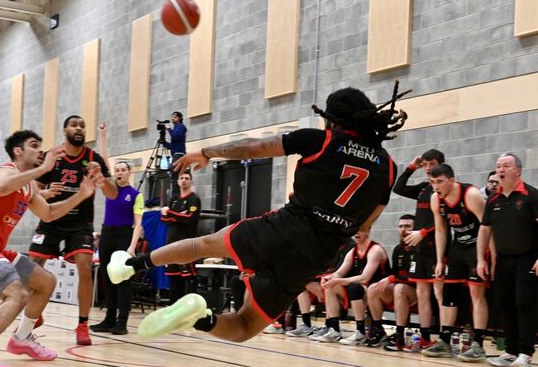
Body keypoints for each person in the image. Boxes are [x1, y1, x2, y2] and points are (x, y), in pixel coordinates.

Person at [109, 85, 408, 343]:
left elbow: (255, 147)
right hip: (314, 256)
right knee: (244, 326)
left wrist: (208, 152)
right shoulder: (389, 167)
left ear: (333, 120)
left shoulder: (321, 140)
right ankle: (201, 319)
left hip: (281, 228)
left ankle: (131, 265)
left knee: (202, 245)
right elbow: (366, 223)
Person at [0, 130, 99, 367]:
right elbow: (0, 186)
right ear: (18, 151)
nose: (40, 151)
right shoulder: (5, 171)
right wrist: (44, 169)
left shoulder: (28, 186)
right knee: (17, 294)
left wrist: (81, 195)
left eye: (41, 146)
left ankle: (21, 338)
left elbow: (49, 214)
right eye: (34, 145)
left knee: (46, 282)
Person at [28, 115, 117, 346]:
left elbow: (112, 194)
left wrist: (101, 180)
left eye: (82, 126)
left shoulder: (93, 159)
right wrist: (46, 193)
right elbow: (33, 192)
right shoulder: (53, 156)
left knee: (85, 267)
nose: (79, 128)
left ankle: (82, 325)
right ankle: (35, 312)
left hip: (81, 223)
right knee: (32, 265)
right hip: (52, 218)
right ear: (65, 129)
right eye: (74, 125)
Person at [477, 152, 538, 367]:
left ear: (517, 170)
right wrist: (481, 259)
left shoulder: (532, 195)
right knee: (504, 303)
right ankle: (510, 351)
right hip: (503, 259)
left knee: (524, 303)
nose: (500, 170)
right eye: (498, 166)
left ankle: (526, 353)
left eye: (506, 166)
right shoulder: (493, 200)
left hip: (528, 258)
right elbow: (484, 231)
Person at [422, 164, 489, 361]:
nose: (436, 186)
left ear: (452, 180)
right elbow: (441, 229)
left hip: (477, 244)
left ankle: (478, 344)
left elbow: (486, 227)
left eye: (440, 181)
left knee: (476, 292)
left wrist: (484, 257)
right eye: (432, 182)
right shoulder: (436, 199)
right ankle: (444, 341)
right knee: (448, 292)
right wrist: (441, 260)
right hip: (458, 246)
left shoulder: (471, 194)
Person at [393, 149, 446, 349]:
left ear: (440, 164)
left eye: (430, 163)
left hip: (437, 247)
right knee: (423, 292)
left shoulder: (445, 189)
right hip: (420, 248)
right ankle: (425, 337)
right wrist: (411, 167)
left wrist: (424, 232)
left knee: (439, 291)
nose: (427, 168)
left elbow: (445, 223)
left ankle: (444, 338)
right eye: (424, 164)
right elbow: (398, 188)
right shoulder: (424, 188)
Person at [90, 159, 144, 335]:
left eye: (123, 169)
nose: (119, 172)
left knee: (122, 280)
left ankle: (122, 322)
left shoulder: (135, 195)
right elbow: (103, 163)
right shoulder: (110, 190)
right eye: (117, 170)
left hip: (124, 237)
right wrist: (103, 136)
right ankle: (109, 320)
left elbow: (138, 224)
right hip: (107, 235)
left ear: (130, 172)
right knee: (108, 278)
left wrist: (132, 247)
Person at [317, 230, 389, 345]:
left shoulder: (375, 250)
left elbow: (365, 278)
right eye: (355, 230)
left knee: (354, 287)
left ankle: (360, 332)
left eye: (361, 230)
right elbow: (339, 273)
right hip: (363, 290)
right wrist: (329, 278)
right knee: (330, 285)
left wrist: (337, 280)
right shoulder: (352, 251)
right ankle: (334, 330)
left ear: (368, 230)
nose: (357, 233)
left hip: (379, 291)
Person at [366, 215, 420, 350]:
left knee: (399, 288)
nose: (403, 229)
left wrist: (392, 279)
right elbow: (393, 275)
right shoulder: (398, 249)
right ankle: (379, 331)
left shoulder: (420, 249)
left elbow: (416, 278)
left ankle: (399, 335)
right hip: (399, 290)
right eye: (400, 226)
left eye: (408, 226)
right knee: (373, 288)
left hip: (418, 292)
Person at [161, 170, 202, 303]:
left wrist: (171, 214)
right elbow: (164, 219)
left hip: (187, 245)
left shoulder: (194, 199)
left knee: (188, 277)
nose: (184, 180)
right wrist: (177, 215)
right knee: (174, 277)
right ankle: (174, 308)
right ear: (178, 182)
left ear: (191, 181)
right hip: (171, 244)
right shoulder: (174, 199)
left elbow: (189, 218)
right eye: (181, 178)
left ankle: (191, 308)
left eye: (186, 178)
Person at [163, 111, 187, 197]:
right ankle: (176, 195)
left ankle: (175, 195)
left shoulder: (180, 126)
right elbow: (172, 146)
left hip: (179, 154)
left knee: (174, 173)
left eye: (175, 117)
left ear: (179, 118)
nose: (173, 118)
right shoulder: (176, 128)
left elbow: (176, 136)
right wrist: (163, 142)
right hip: (176, 153)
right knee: (174, 175)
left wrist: (168, 129)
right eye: (172, 117)